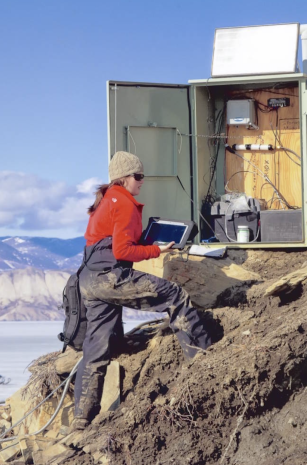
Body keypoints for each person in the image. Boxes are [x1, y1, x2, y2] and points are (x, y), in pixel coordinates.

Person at [72, 150, 214, 430]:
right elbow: (122, 250)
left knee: (96, 350)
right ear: (124, 179)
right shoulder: (124, 203)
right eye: (138, 176)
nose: (142, 181)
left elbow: (109, 243)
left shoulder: (105, 201)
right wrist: (155, 249)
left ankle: (81, 418)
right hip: (111, 277)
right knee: (174, 296)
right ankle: (204, 361)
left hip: (89, 280)